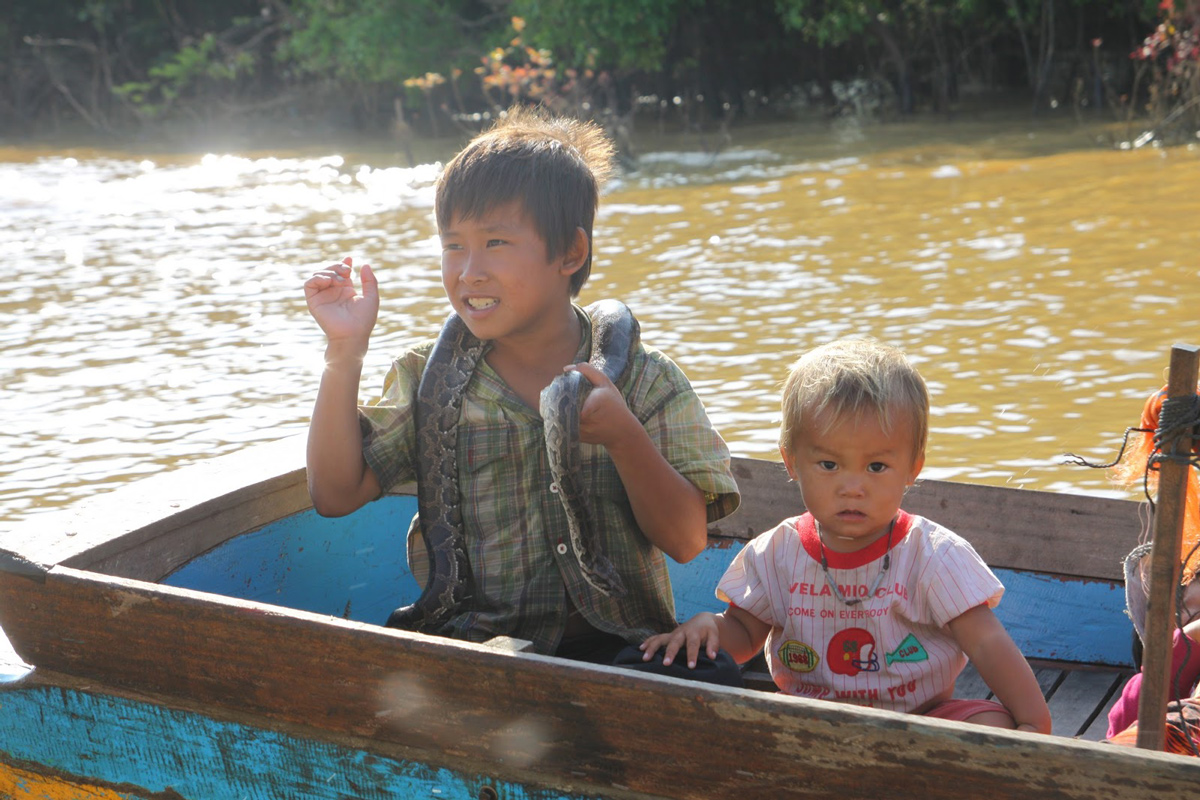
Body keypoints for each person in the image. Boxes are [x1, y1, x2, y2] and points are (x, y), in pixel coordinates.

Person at [302, 106, 741, 675]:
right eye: (453, 245)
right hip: (477, 647)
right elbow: (334, 495)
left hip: (622, 648)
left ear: (571, 254)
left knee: (712, 675)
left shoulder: (646, 378)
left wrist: (624, 438)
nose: (469, 271)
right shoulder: (427, 379)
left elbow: (686, 542)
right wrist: (345, 350)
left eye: (497, 243)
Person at [641, 337, 1052, 732]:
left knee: (991, 723)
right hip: (811, 722)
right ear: (791, 461)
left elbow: (986, 644)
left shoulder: (932, 556)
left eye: (876, 467)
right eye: (828, 465)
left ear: (913, 466)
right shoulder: (776, 554)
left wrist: (1034, 721)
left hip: (924, 719)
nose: (852, 487)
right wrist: (710, 628)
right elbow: (745, 635)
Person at [1103, 384, 1200, 754]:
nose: (1190, 615)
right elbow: (1121, 725)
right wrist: (1187, 639)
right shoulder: (1175, 671)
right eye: (1186, 612)